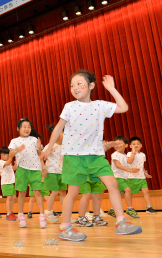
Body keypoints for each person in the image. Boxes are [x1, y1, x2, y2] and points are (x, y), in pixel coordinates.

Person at [41, 70, 142, 241]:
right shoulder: (70, 106)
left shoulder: (100, 105)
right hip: (74, 156)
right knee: (72, 192)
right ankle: (65, 227)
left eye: (80, 83)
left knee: (112, 183)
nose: (75, 87)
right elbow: (58, 128)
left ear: (91, 86)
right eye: (72, 85)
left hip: (95, 155)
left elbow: (124, 107)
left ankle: (121, 222)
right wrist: (49, 148)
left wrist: (112, 89)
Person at [9, 118, 46, 229]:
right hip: (22, 169)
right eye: (24, 126)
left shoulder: (34, 139)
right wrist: (17, 150)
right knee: (21, 193)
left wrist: (39, 147)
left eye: (28, 127)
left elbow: (40, 154)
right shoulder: (15, 141)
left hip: (35, 169)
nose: (27, 128)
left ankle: (42, 217)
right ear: (18, 129)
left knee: (37, 192)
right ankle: (21, 216)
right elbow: (10, 154)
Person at [108, 136, 139, 218]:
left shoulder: (125, 155)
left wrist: (133, 151)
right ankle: (130, 209)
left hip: (123, 177)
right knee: (128, 190)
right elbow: (118, 165)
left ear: (126, 145)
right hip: (117, 176)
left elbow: (130, 161)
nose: (117, 145)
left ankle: (112, 210)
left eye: (120, 143)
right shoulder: (115, 154)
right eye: (115, 144)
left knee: (121, 194)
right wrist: (130, 170)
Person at [42, 123, 67, 222]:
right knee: (55, 192)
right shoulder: (51, 145)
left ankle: (66, 214)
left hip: (62, 172)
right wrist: (43, 168)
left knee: (63, 193)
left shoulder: (66, 146)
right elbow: (42, 155)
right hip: (51, 171)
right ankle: (48, 212)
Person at [127, 137, 156, 214]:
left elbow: (141, 165)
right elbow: (129, 162)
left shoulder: (143, 155)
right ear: (130, 146)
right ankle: (130, 208)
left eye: (138, 144)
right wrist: (133, 152)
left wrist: (145, 173)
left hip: (141, 177)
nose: (136, 145)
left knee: (146, 191)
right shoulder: (129, 154)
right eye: (134, 144)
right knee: (130, 193)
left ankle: (149, 207)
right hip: (131, 177)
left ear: (141, 145)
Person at [0, 147, 17, 221]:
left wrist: (17, 162)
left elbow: (14, 168)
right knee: (9, 198)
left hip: (10, 182)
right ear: (2, 155)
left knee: (14, 197)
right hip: (5, 183)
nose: (9, 157)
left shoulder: (8, 162)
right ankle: (8, 213)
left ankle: (10, 212)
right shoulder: (1, 162)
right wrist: (11, 155)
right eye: (7, 156)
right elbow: (8, 163)